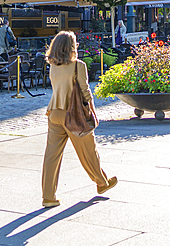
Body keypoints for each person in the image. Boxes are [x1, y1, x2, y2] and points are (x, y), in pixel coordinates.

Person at [42, 30, 116, 208]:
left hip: (54, 112)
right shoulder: (78, 66)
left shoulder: (52, 65)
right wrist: (92, 110)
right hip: (73, 114)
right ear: (71, 47)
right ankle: (101, 182)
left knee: (52, 156)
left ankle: (48, 197)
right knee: (88, 150)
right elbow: (85, 91)